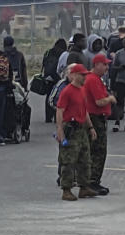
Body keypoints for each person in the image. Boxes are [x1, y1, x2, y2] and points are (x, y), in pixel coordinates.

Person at [56, 63, 98, 201]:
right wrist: (60, 130)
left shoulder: (82, 90)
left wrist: (90, 127)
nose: (84, 77)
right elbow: (60, 110)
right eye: (82, 74)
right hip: (71, 128)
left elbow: (84, 111)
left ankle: (84, 187)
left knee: (85, 159)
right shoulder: (67, 91)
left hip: (81, 129)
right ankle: (66, 189)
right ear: (74, 75)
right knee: (68, 160)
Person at [83, 54, 116, 195]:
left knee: (94, 149)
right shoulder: (93, 80)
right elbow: (99, 101)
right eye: (105, 64)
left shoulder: (94, 79)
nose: (107, 67)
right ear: (97, 65)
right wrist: (110, 98)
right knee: (98, 150)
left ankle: (91, 180)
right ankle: (93, 181)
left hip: (96, 117)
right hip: (95, 117)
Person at [42, 38, 67, 122]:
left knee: (49, 95)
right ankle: (57, 116)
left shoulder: (48, 51)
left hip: (48, 76)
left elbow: (43, 63)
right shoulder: (63, 53)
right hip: (57, 77)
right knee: (58, 96)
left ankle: (48, 117)